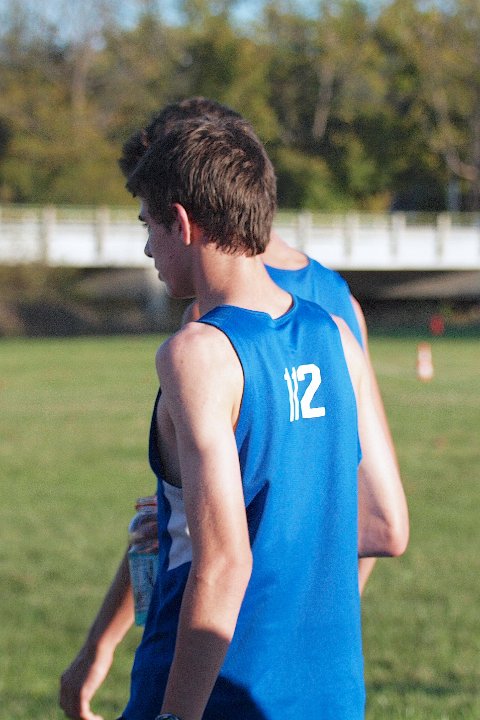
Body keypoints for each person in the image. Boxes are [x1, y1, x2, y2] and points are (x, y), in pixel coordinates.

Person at [59, 98, 398, 720]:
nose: (147, 249)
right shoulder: (337, 333)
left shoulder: (197, 353)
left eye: (147, 226)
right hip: (330, 692)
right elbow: (380, 527)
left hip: (212, 683)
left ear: (181, 222)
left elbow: (223, 561)